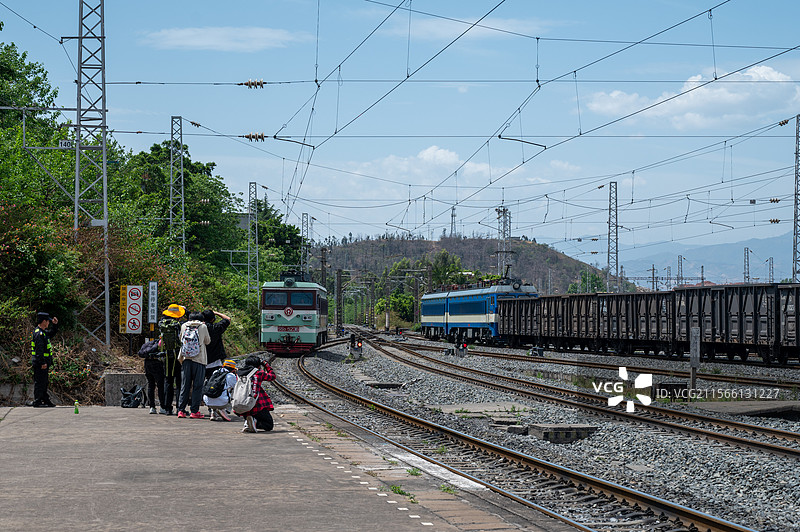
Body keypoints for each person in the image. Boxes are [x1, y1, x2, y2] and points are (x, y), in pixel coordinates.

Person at [177, 312, 210, 419]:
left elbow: (180, 339)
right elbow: (207, 341)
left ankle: (181, 410)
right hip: (199, 359)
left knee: (185, 385)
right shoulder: (203, 326)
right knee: (197, 386)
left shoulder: (183, 326)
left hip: (186, 358)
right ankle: (194, 411)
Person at [236, 355, 276, 433]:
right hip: (256, 404)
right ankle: (255, 422)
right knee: (268, 425)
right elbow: (272, 377)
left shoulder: (238, 373)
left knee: (248, 412)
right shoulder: (259, 373)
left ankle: (248, 422)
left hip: (241, 403)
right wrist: (267, 365)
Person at [158, 304, 185, 415]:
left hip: (166, 354)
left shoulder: (161, 323)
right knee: (179, 382)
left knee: (168, 381)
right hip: (178, 355)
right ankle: (179, 408)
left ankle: (167, 408)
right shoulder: (178, 325)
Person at [30, 312, 58, 407]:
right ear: (43, 321)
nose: (48, 323)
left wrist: (55, 325)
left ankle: (44, 399)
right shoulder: (39, 334)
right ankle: (37, 400)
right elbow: (39, 350)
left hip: (44, 362)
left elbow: (51, 333)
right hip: (40, 363)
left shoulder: (43, 332)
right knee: (40, 382)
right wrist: (42, 362)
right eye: (48, 321)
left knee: (44, 382)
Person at [137, 338, 166, 414]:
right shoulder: (160, 344)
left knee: (151, 386)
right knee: (160, 386)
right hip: (156, 364)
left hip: (147, 364)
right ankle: (162, 407)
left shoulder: (148, 345)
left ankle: (152, 407)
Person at [202, 309, 231, 379]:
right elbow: (228, 319)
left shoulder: (198, 327)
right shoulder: (216, 328)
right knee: (213, 382)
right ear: (213, 319)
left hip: (201, 359)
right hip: (215, 359)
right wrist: (216, 313)